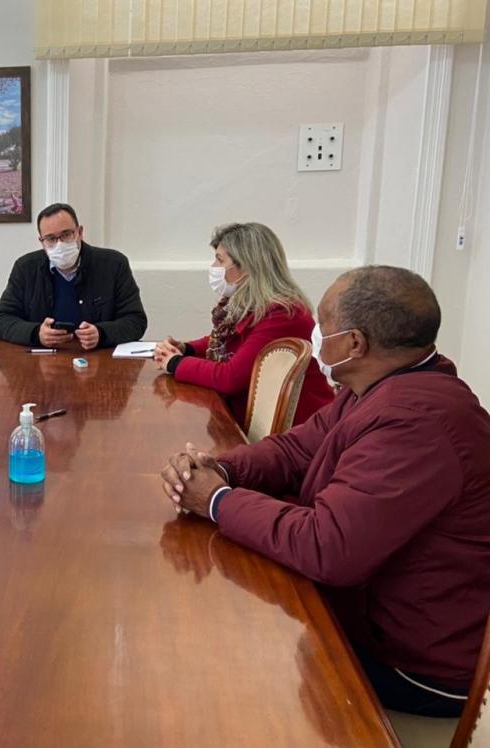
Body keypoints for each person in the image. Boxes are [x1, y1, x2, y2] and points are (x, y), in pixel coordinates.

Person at [158, 265, 490, 718]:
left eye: (323, 324)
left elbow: (327, 546)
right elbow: (296, 450)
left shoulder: (416, 421)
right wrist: (221, 469)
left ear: (355, 343)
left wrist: (217, 500)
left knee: (229, 669)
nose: (314, 332)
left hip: (417, 664)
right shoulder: (377, 385)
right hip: (372, 615)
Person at [154, 222, 333, 427]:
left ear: (247, 267)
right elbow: (228, 341)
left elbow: (230, 378)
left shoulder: (283, 314)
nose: (214, 267)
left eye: (220, 260)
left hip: (299, 431)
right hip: (247, 418)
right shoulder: (250, 303)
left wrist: (176, 363)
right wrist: (187, 349)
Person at [0, 202, 147, 350]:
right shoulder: (26, 268)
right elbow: (2, 319)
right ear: (42, 241)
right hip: (43, 360)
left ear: (79, 232)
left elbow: (136, 321)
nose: (59, 244)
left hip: (99, 358)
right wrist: (36, 333)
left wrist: (102, 334)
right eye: (51, 239)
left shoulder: (113, 264)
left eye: (66, 234)